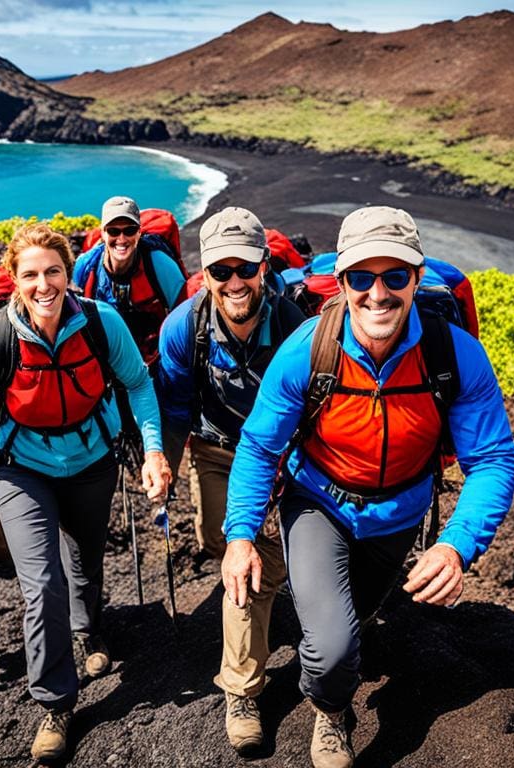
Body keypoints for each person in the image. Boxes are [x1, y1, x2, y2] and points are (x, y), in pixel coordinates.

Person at [222, 206, 514, 768]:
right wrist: (240, 534)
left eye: (394, 277)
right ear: (341, 282)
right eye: (361, 277)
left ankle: (329, 659)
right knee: (333, 648)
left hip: (400, 515)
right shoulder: (309, 351)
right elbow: (260, 446)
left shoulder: (454, 354)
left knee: (350, 621)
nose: (377, 294)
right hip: (318, 503)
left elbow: (495, 460)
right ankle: (332, 713)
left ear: (416, 275)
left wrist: (456, 544)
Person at [0, 223, 172, 761]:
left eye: (54, 271)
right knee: (42, 582)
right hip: (22, 469)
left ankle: (90, 632)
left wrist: (153, 451)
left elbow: (137, 384)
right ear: (15, 279)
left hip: (92, 460)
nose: (44, 285)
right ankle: (56, 703)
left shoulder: (101, 322)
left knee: (85, 559)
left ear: (69, 272)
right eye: (31, 274)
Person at [155, 207, 307, 752]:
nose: (235, 281)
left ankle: (240, 690)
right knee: (220, 542)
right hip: (217, 452)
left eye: (246, 267)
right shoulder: (184, 328)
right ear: (205, 273)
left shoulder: (295, 326)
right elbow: (174, 407)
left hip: (285, 460)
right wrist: (164, 463)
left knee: (252, 566)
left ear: (265, 266)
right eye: (222, 271)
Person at [72, 195, 186, 363]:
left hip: (156, 356)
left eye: (130, 230)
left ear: (139, 233)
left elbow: (183, 316)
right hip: (110, 356)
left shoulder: (159, 264)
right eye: (113, 231)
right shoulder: (86, 266)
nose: (122, 239)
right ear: (103, 233)